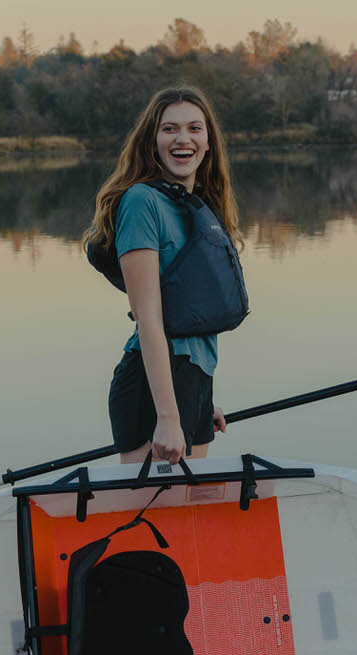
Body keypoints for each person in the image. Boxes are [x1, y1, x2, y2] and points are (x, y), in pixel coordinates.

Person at [83, 85, 248, 465]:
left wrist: (198, 401)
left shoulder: (199, 207)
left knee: (185, 520)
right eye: (169, 129)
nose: (183, 139)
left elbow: (193, 320)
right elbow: (150, 321)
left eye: (195, 128)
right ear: (152, 141)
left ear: (208, 143)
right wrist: (168, 416)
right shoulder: (143, 203)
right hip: (150, 387)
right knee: (152, 520)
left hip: (190, 384)